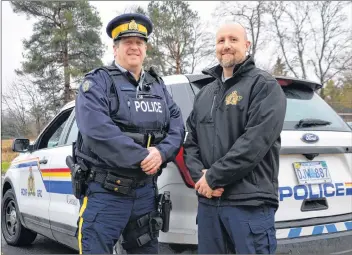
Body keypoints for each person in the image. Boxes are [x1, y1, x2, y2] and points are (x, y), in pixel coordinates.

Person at [74, 13, 185, 254]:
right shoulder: (97, 83)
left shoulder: (158, 86)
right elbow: (97, 131)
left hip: (145, 192)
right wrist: (143, 158)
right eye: (127, 42)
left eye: (139, 42)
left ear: (145, 48)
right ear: (115, 49)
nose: (134, 47)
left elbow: (177, 125)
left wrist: (161, 152)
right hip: (106, 193)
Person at [183, 22, 287, 254]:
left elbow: (254, 142)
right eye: (221, 41)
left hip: (248, 205)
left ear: (246, 45)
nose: (226, 46)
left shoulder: (264, 86)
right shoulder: (205, 94)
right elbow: (190, 142)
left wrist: (214, 177)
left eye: (233, 40)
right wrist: (200, 178)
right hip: (209, 205)